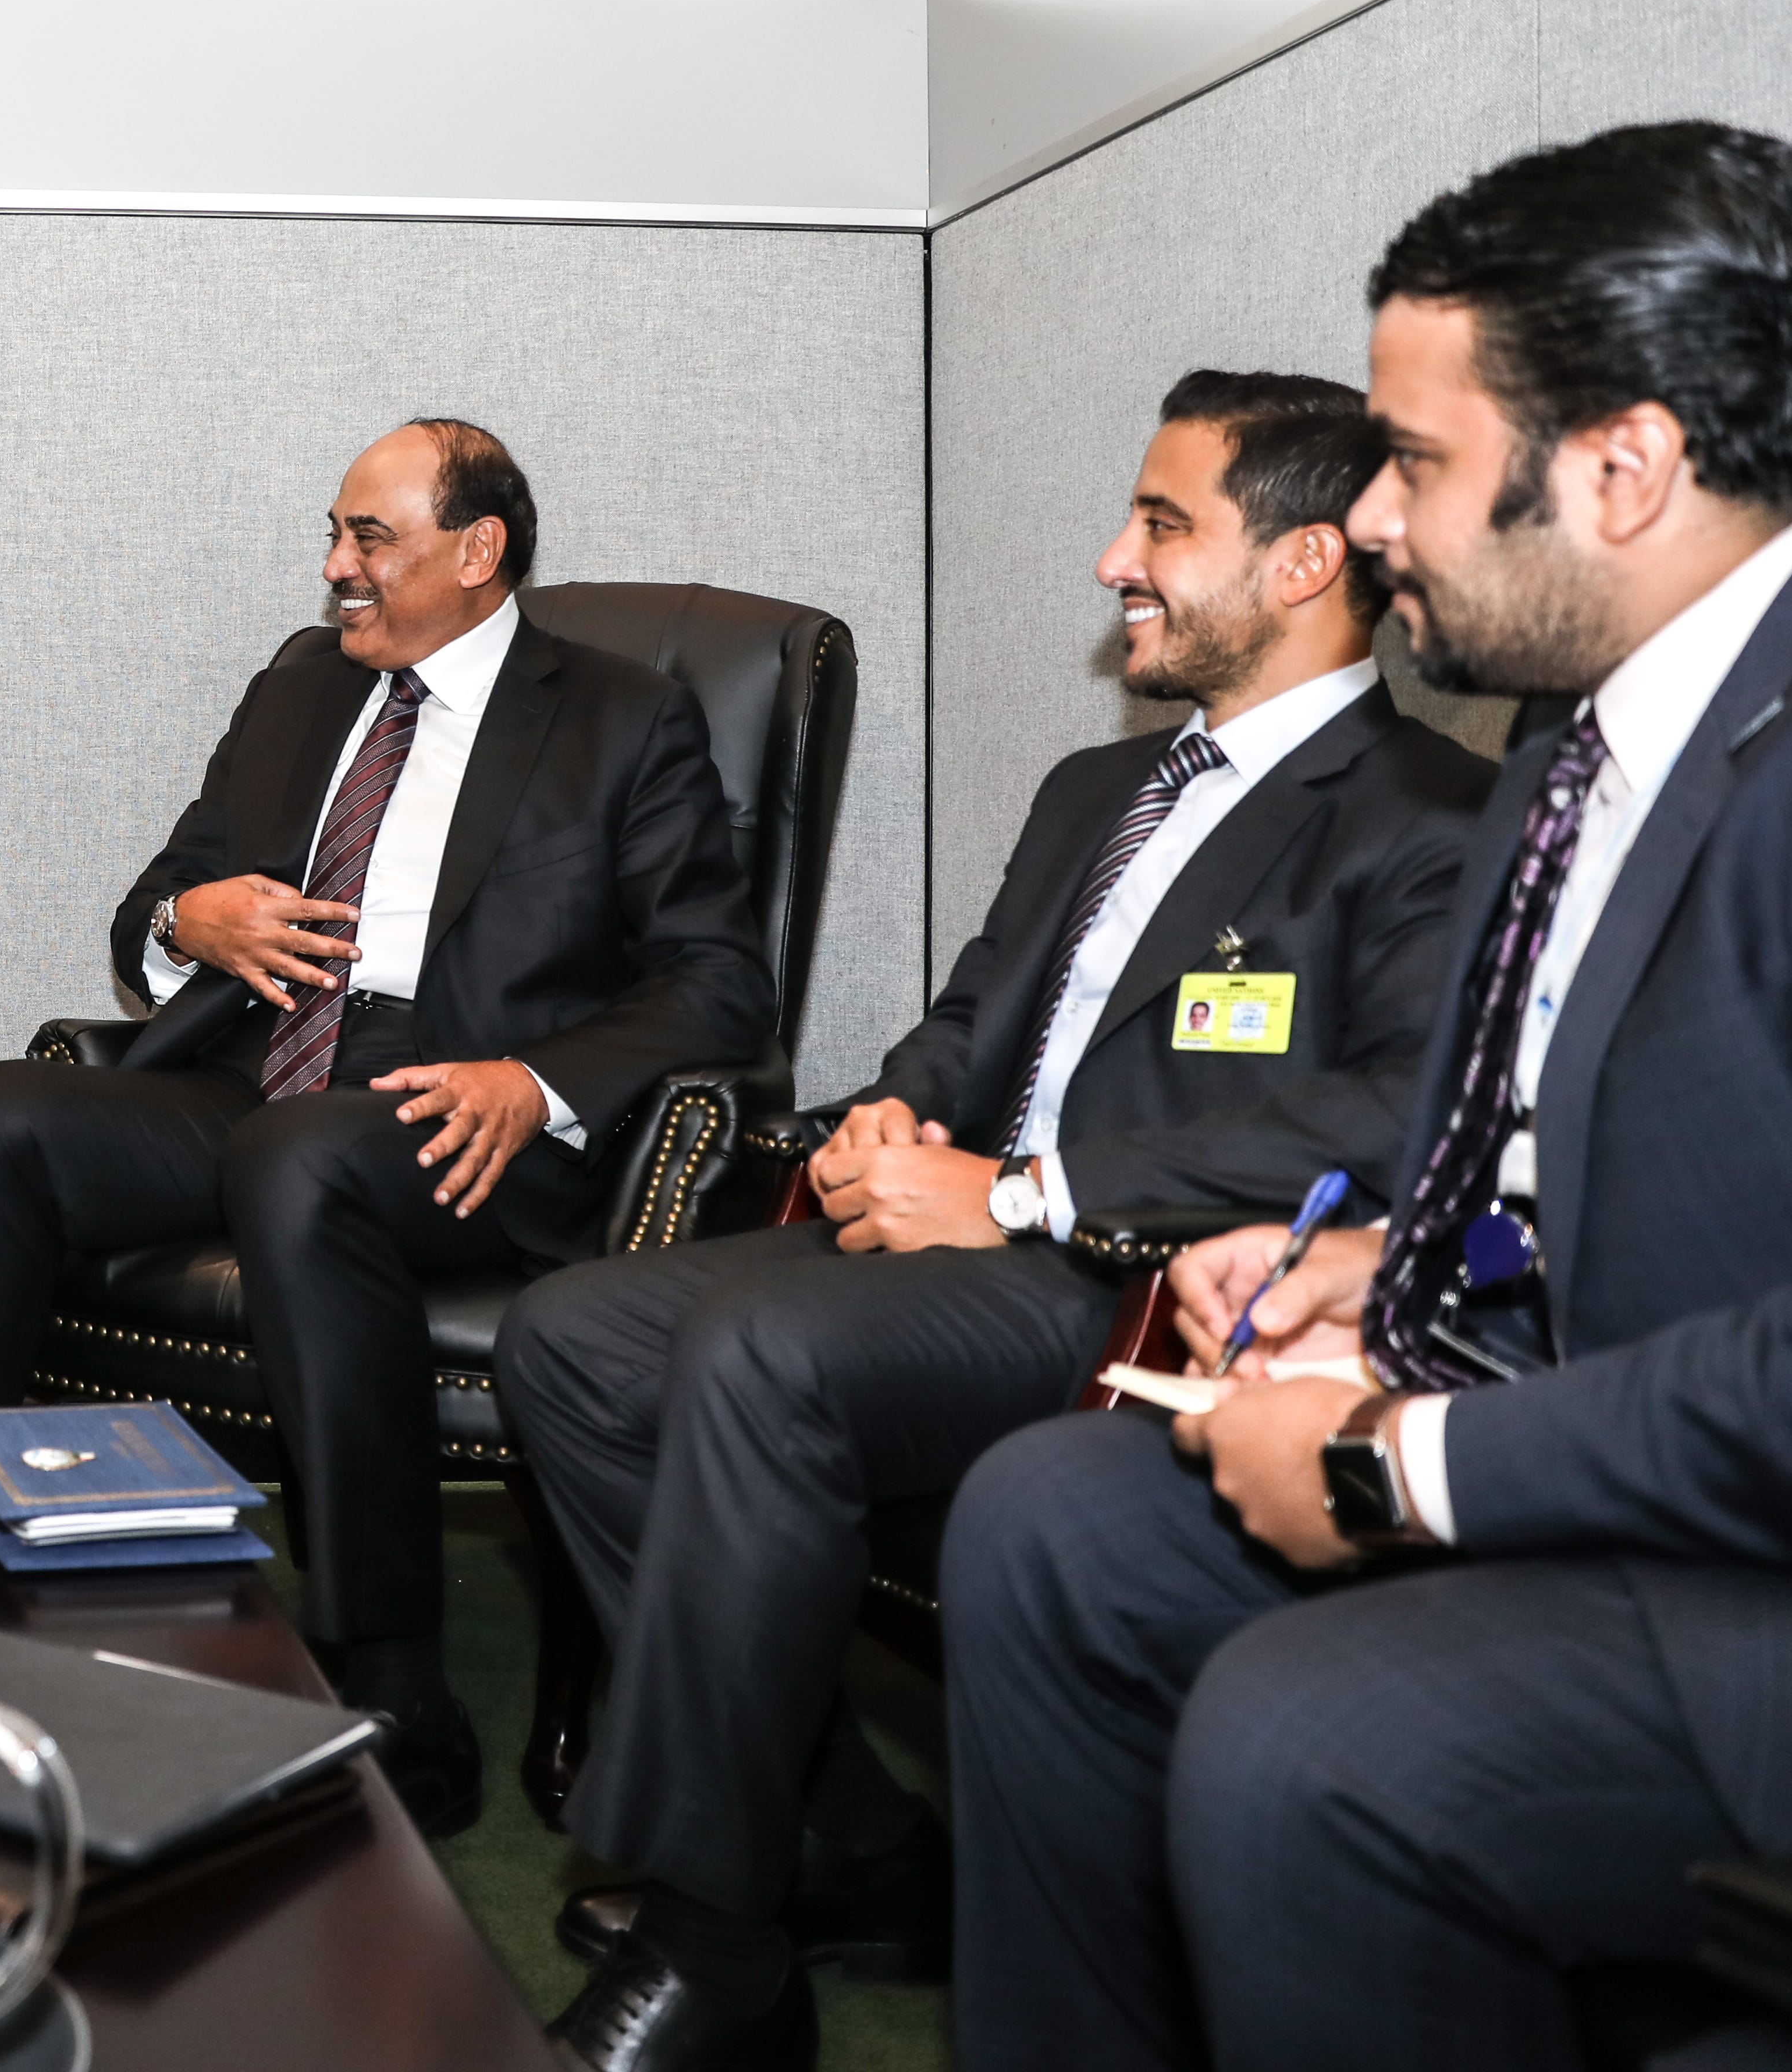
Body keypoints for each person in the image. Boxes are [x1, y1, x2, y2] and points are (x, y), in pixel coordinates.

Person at [943, 122, 1792, 2072]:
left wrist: (1393, 1463)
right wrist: (1390, 1271)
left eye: (1419, 464)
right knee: (1049, 1523)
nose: (1386, 524)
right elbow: (1633, 1161)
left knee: (1312, 1750)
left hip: (1760, 1586)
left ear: (1626, 465)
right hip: (1590, 1437)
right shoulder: (1576, 746)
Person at [495, 375, 1493, 2071]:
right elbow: (971, 1027)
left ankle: (717, 1936)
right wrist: (895, 1110)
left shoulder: (1429, 824)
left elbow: (1394, 1111)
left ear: (1309, 559)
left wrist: (1026, 1191)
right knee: (572, 1336)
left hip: (1124, 1286)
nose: (1118, 558)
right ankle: (861, 1854)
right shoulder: (1090, 798)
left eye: (1165, 525)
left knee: (756, 1349)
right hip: (951, 1238)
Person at [0, 416, 773, 1834]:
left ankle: (392, 1673)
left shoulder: (619, 716)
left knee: (298, 1160)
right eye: (337, 536)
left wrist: (530, 1085)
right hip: (258, 1066)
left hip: (460, 1103)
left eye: (371, 539)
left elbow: (721, 986)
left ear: (478, 552)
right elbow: (161, 891)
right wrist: (193, 917)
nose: (334, 569)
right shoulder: (303, 686)